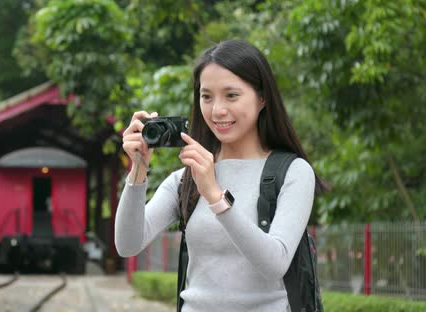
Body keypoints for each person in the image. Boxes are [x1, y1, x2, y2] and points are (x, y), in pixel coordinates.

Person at [114, 40, 327, 312]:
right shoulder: (186, 180)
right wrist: (138, 170)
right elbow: (127, 244)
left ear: (262, 98)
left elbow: (276, 263)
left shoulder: (293, 172)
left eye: (231, 95)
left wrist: (215, 196)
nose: (217, 111)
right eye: (207, 96)